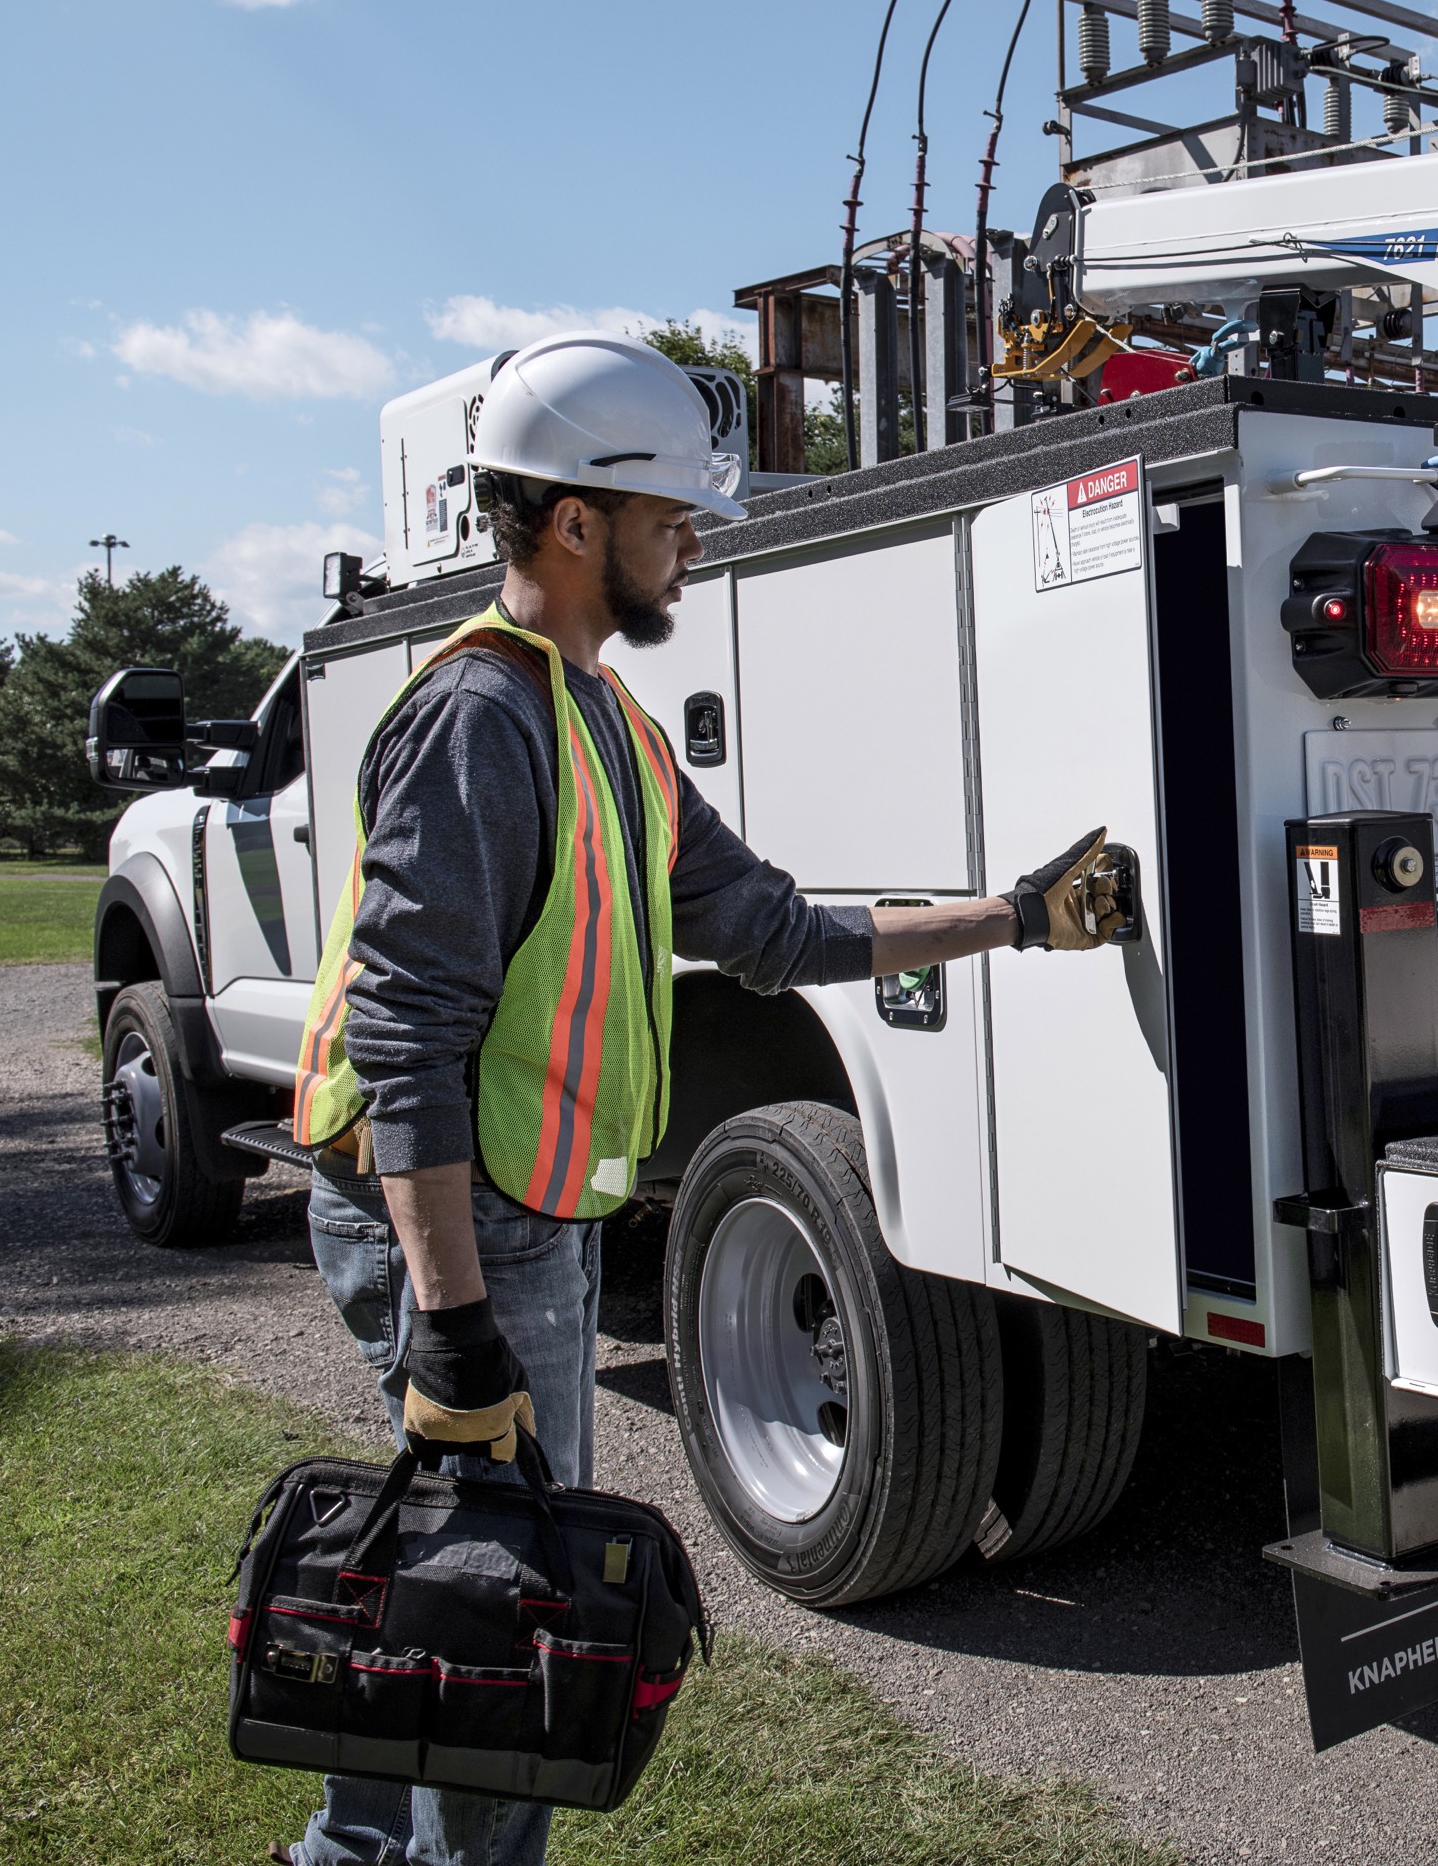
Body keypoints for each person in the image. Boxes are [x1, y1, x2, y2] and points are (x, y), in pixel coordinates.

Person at [277, 331, 1127, 1866]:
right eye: (673, 517)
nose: (696, 541)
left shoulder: (606, 722)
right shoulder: (480, 718)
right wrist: (456, 1320)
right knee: (500, 1615)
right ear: (574, 520)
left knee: (464, 1582)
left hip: (519, 1216)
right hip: (464, 1224)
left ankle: (360, 1851)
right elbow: (404, 1033)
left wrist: (1011, 916)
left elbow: (772, 929)